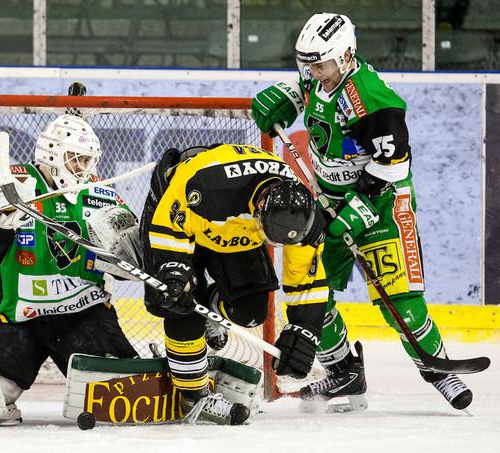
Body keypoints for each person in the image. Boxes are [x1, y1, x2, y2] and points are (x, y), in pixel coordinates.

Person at [251, 13, 473, 411]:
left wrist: (355, 211)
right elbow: (297, 89)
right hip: (328, 200)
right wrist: (277, 102)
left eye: (321, 64)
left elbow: (393, 166)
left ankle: (439, 370)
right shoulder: (318, 76)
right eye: (309, 65)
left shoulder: (369, 97)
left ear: (347, 54)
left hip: (383, 202)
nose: (314, 73)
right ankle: (344, 372)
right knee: (310, 293)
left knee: (400, 303)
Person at [0, 114, 139, 424]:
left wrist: (128, 255)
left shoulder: (100, 193)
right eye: (75, 158)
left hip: (84, 314)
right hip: (15, 315)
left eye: (87, 160)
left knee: (119, 402)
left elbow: (129, 259)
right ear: (52, 154)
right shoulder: (18, 180)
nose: (83, 167)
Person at [140, 143, 329, 425]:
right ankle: (194, 396)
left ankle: (210, 312)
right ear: (262, 205)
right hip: (179, 215)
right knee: (178, 302)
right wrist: (174, 272)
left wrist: (305, 329)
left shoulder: (304, 216)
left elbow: (307, 280)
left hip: (233, 228)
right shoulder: (205, 185)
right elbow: (170, 227)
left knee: (251, 309)